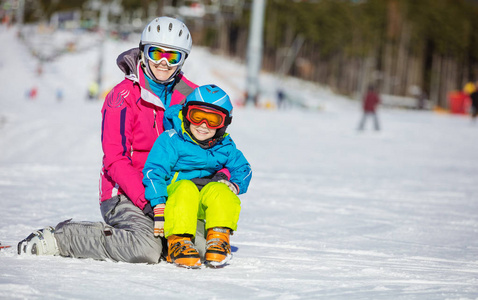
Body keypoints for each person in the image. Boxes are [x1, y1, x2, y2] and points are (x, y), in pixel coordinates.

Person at [17, 17, 201, 264]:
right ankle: (63, 238)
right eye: (156, 53)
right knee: (145, 249)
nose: (163, 63)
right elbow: (115, 159)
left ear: (183, 59)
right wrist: (150, 202)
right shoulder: (122, 97)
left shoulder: (191, 97)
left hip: (171, 192)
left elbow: (210, 142)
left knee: (199, 247)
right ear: (143, 51)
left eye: (173, 56)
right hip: (125, 194)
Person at [143, 84, 252, 268]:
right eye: (197, 116)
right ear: (186, 114)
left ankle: (218, 238)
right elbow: (154, 171)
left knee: (221, 190)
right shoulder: (172, 139)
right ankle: (179, 241)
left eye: (213, 120)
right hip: (176, 199)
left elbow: (244, 168)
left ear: (224, 123)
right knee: (186, 188)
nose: (204, 125)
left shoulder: (225, 146)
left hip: (201, 202)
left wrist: (235, 184)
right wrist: (159, 204)